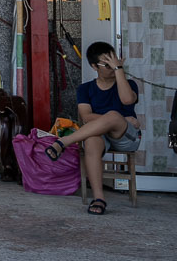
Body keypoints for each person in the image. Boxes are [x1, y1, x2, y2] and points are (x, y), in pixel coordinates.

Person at [46, 41, 141, 214]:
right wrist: (117, 118)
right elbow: (86, 117)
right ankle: (99, 198)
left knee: (113, 115)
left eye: (114, 63)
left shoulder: (129, 84)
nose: (112, 67)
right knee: (91, 140)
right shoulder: (85, 89)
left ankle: (64, 142)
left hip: (126, 137)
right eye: (107, 64)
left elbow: (127, 100)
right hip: (100, 136)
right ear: (94, 66)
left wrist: (119, 70)